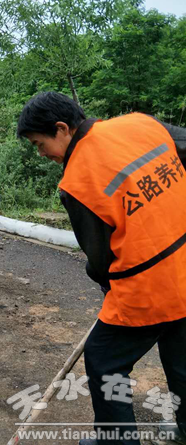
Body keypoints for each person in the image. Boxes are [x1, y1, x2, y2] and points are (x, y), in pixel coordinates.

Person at [17, 92, 186, 445]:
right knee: (181, 357)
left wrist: (109, 289)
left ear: (61, 128)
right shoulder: (141, 123)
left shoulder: (77, 180)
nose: (41, 153)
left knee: (104, 360)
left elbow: (101, 259)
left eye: (39, 142)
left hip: (148, 291)